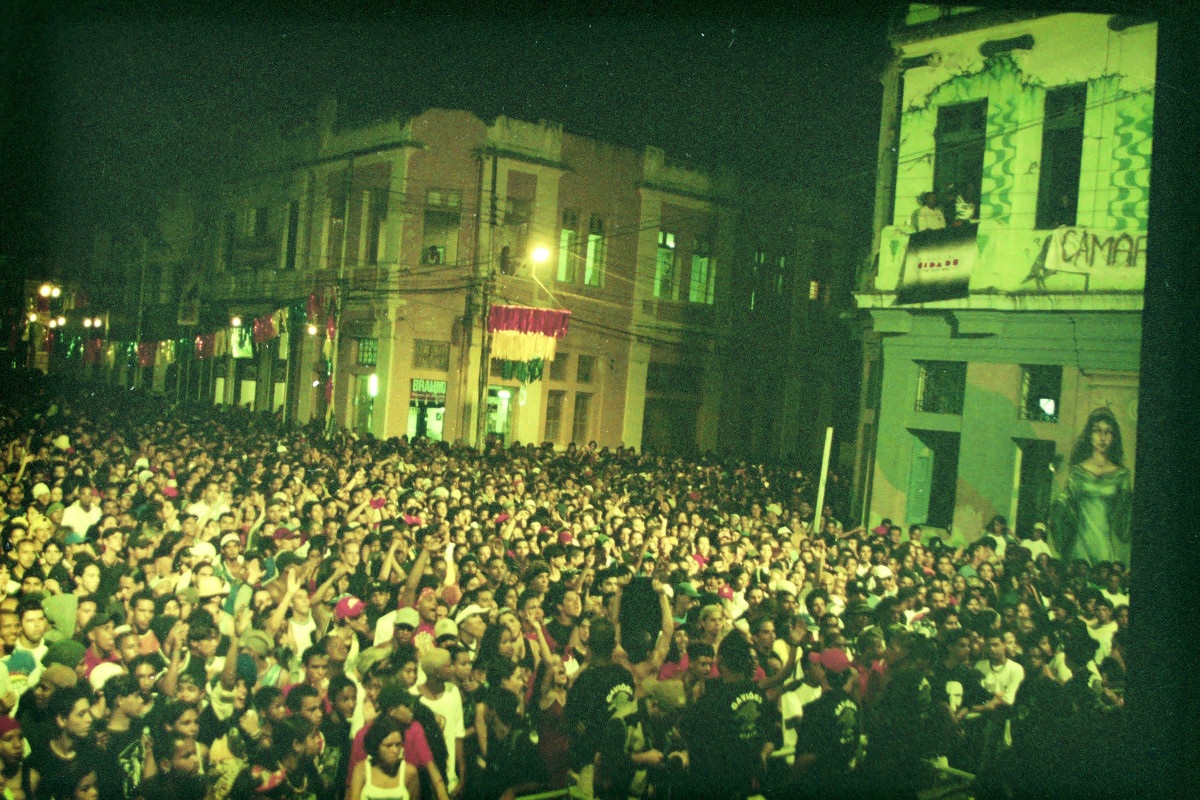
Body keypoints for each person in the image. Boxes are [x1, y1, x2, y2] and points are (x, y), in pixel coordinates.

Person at [1049, 408, 1133, 566]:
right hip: (1080, 542)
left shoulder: (1122, 474)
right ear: (1089, 435)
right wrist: (1059, 504)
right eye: (1097, 431)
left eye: (1108, 432)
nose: (1102, 437)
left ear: (1114, 437)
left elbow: (1125, 512)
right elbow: (1065, 501)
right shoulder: (1078, 471)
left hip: (1106, 542)